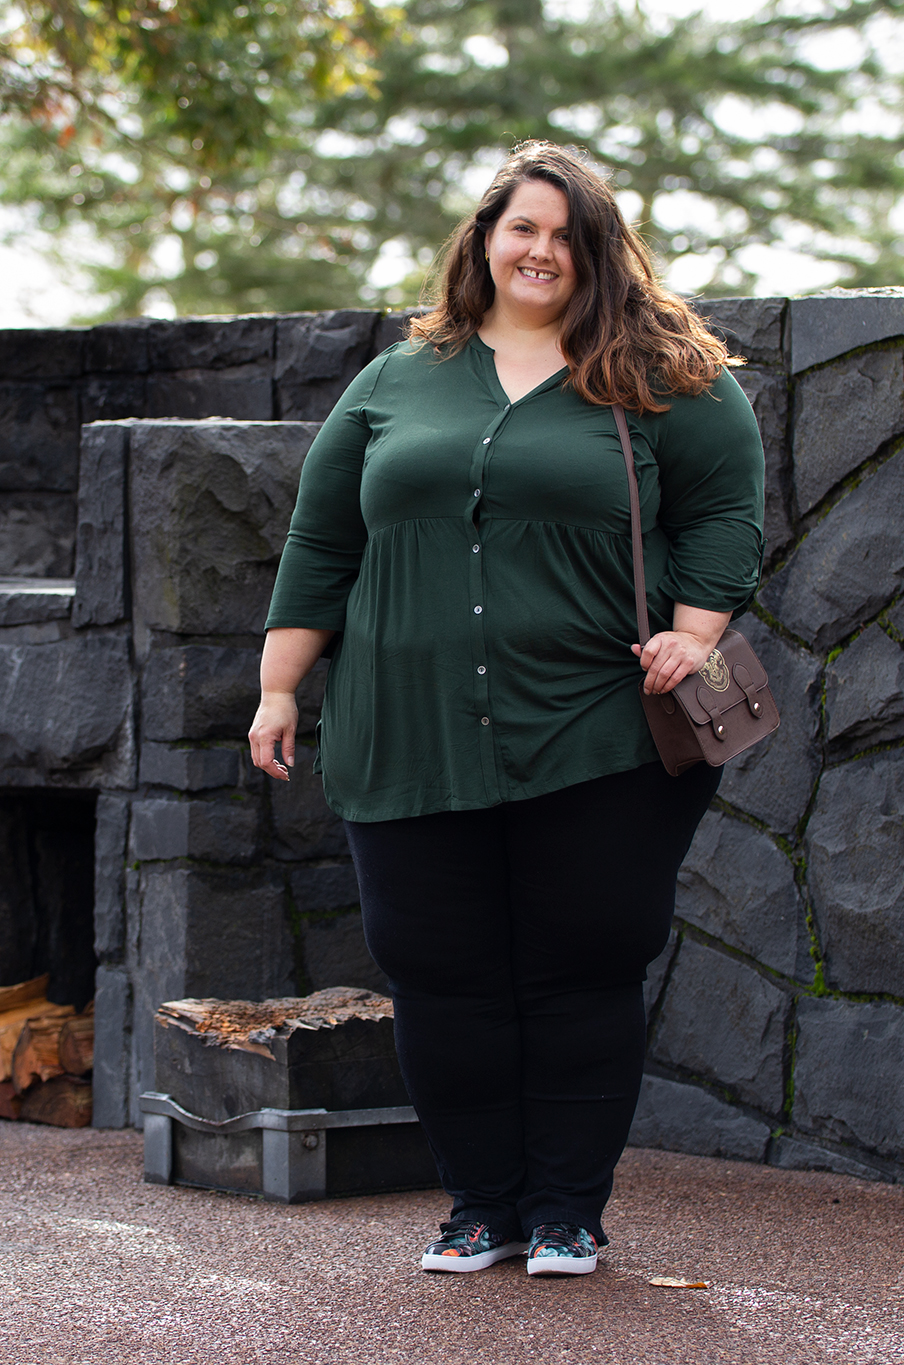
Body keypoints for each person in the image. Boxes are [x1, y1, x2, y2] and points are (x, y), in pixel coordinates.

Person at [248, 141, 764, 1277]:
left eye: (566, 236)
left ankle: (567, 1211)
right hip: (407, 724)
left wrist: (696, 630)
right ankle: (480, 1207)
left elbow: (727, 512)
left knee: (580, 962)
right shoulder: (394, 380)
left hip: (600, 726)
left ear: (599, 255)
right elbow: (322, 539)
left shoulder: (666, 375)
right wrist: (280, 685)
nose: (541, 252)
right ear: (484, 238)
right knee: (438, 968)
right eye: (521, 228)